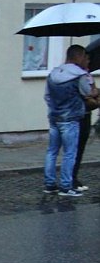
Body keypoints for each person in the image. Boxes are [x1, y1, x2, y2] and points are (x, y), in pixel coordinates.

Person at [43, 45, 98, 197]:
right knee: (70, 153)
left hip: (54, 117)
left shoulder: (53, 73)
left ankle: (49, 184)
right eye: (84, 56)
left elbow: (47, 96)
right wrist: (93, 88)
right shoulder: (79, 75)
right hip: (71, 118)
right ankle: (66, 187)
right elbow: (88, 92)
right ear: (79, 56)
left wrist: (54, 109)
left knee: (52, 151)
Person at [71, 51, 99, 192]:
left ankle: (73, 176)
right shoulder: (76, 75)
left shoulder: (87, 75)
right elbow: (88, 94)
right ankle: (71, 178)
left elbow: (94, 90)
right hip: (79, 115)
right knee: (74, 149)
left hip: (87, 114)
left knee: (79, 148)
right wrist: (93, 94)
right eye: (86, 58)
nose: (88, 61)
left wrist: (93, 92)